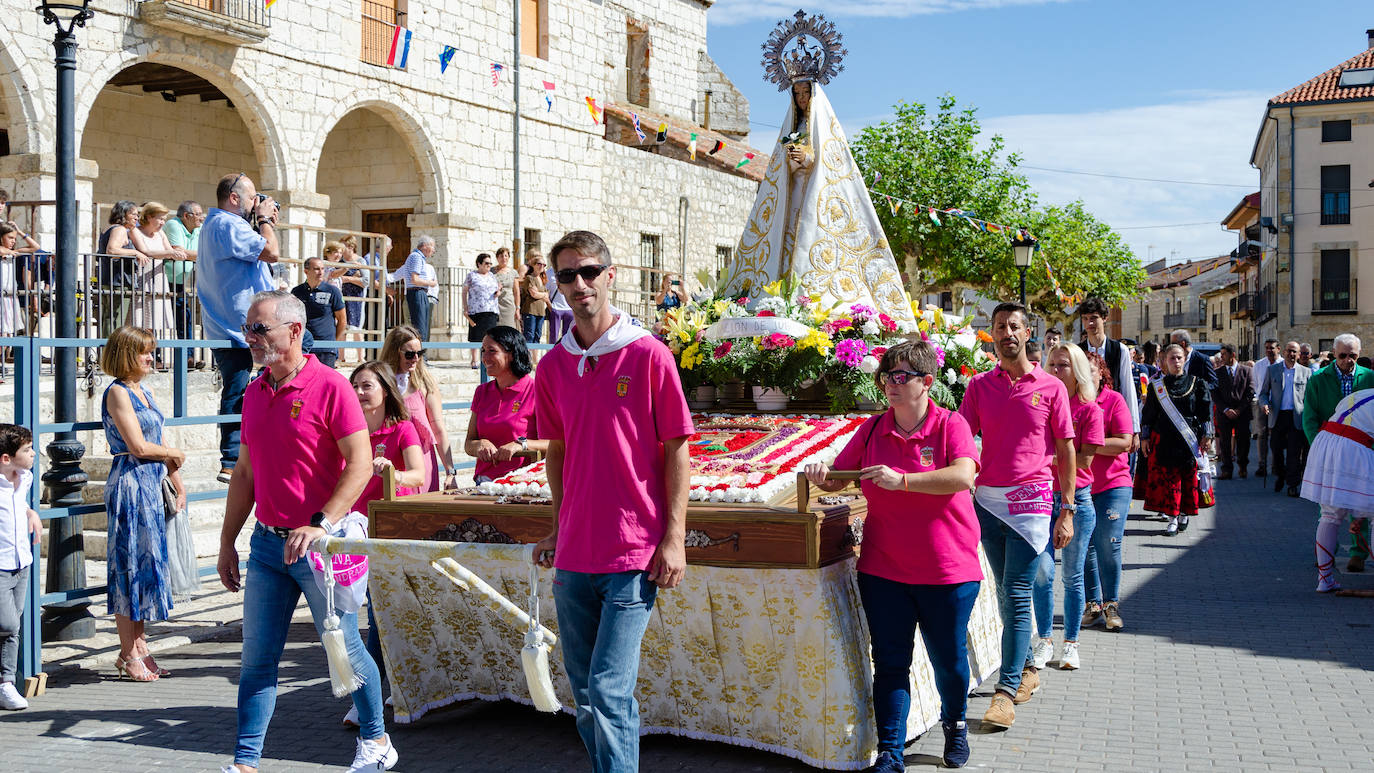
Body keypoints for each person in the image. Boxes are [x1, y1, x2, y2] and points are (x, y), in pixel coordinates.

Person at [532, 230, 692, 772]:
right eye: (567, 276)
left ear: (611, 274)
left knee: (607, 690)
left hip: (632, 553)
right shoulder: (554, 365)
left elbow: (677, 450)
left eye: (589, 272)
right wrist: (556, 526)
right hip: (575, 554)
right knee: (584, 698)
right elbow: (557, 451)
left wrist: (673, 539)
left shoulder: (649, 354)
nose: (579, 284)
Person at [216, 291, 396, 773]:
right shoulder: (254, 391)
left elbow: (360, 466)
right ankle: (245, 762)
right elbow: (245, 475)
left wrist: (321, 524)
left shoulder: (332, 387)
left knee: (344, 649)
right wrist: (227, 540)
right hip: (268, 547)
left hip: (321, 549)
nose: (249, 338)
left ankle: (376, 741)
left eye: (260, 329)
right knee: (256, 662)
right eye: (248, 328)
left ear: (294, 332)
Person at [804, 340, 980, 770]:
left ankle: (955, 724)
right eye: (887, 377)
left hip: (947, 571)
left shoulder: (949, 425)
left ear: (927, 383)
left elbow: (963, 475)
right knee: (890, 661)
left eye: (902, 377)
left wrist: (902, 481)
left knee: (949, 659)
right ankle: (890, 751)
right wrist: (822, 475)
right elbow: (840, 478)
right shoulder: (872, 429)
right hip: (884, 570)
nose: (892, 385)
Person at [957, 301, 1076, 730]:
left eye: (1014, 326)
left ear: (1028, 334)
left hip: (1033, 503)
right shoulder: (978, 387)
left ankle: (1005, 693)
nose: (1007, 332)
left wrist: (1068, 508)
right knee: (1008, 593)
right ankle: (1027, 669)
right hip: (988, 503)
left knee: (1018, 590)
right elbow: (963, 436)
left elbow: (1066, 449)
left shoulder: (1051, 387)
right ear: (993, 334)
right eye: (999, 326)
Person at [724, 59, 915, 326]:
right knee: (785, 246)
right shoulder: (790, 128)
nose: (802, 99)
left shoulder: (825, 127)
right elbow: (778, 169)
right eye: (797, 94)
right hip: (791, 199)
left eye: (805, 93)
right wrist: (790, 159)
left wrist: (809, 158)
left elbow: (830, 165)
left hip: (816, 199)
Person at [342, 360, 426, 729]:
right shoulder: (349, 432)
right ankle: (380, 689)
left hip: (389, 529)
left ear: (385, 391)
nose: (359, 393)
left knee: (378, 618)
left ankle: (367, 701)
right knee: (363, 617)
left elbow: (419, 475)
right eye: (355, 386)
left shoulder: (403, 429)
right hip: (353, 530)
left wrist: (389, 470)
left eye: (366, 386)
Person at [100, 326, 186, 683]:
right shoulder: (118, 392)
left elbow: (158, 437)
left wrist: (178, 484)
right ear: (126, 355)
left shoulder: (145, 391)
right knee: (128, 567)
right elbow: (138, 446)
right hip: (131, 482)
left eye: (151, 351)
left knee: (148, 566)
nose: (150, 357)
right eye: (144, 352)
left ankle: (141, 645)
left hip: (153, 484)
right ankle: (127, 651)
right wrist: (174, 454)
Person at [198, 173, 281, 484]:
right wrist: (263, 221)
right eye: (251, 197)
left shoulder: (219, 224)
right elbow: (271, 251)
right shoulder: (227, 224)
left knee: (246, 388)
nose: (254, 203)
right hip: (238, 327)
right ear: (234, 198)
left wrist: (260, 221)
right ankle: (231, 460)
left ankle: (240, 455)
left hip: (235, 325)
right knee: (236, 391)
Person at [1033, 344, 1101, 672]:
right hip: (1043, 497)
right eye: (1053, 365)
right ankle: (1044, 640)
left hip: (1077, 500)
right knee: (1043, 573)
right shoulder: (1041, 405)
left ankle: (1071, 643)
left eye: (1064, 365)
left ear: (1077, 371)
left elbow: (1083, 459)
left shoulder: (1089, 410)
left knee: (1073, 577)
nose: (1058, 371)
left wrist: (1054, 457)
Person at [1301, 334, 1374, 572]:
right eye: (1343, 355)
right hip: (1332, 451)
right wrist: (1318, 449)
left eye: (1353, 355)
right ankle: (1326, 555)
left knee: (1361, 503)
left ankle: (1358, 553)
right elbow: (1309, 418)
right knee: (1329, 508)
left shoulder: (1370, 377)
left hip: (1361, 450)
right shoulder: (1319, 379)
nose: (1348, 360)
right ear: (1334, 354)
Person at [1079, 353, 1134, 632]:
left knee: (1108, 544)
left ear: (1101, 373)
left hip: (1114, 484)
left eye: (1091, 371)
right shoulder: (1070, 400)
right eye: (1081, 370)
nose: (1086, 376)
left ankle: (1111, 604)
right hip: (1081, 483)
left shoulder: (1114, 400)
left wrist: (1088, 446)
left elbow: (1124, 442)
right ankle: (1093, 605)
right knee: (1086, 546)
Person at [1140, 344, 1214, 535]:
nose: (1176, 362)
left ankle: (1184, 514)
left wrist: (1208, 435)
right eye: (1172, 358)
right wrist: (1145, 438)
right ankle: (1172, 518)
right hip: (1165, 441)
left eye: (1179, 358)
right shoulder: (1156, 386)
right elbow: (1149, 415)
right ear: (1165, 361)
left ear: (1185, 359)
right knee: (1169, 481)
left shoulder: (1197, 383)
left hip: (1189, 441)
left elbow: (1205, 412)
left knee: (1188, 480)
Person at [465, 326, 548, 484]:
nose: (485, 357)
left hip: (523, 485)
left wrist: (521, 445)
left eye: (492, 351)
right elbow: (469, 443)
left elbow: (556, 443)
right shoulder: (482, 392)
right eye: (483, 350)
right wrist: (479, 445)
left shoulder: (537, 391)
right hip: (484, 483)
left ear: (511, 354)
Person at [380, 325, 457, 491]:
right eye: (409, 354)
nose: (415, 358)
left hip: (421, 464)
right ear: (394, 352)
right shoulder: (379, 384)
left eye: (419, 353)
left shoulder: (425, 384)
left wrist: (451, 472)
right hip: (389, 464)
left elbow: (438, 430)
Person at [0, 424, 42, 710]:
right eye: (26, 450)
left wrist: (31, 512)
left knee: (12, 629)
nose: (34, 454)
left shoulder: (24, 478)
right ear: (6, 458)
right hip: (0, 565)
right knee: (8, 623)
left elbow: (19, 505)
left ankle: (5, 684)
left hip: (21, 562)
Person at [1077, 296, 1140, 444]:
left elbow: (1127, 388)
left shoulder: (1120, 350)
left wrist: (1134, 428)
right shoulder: (1078, 351)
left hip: (1114, 415)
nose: (1089, 323)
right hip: (1085, 416)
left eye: (1094, 318)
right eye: (1085, 319)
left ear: (1104, 318)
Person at [128, 202, 184, 348]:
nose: (162, 222)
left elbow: (168, 252)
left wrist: (176, 253)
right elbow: (146, 251)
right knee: (139, 320)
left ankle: (150, 355)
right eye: (160, 218)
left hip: (158, 278)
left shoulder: (161, 234)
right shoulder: (136, 231)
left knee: (153, 321)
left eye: (164, 219)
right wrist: (171, 252)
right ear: (149, 217)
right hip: (142, 277)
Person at [1258, 341, 1311, 497]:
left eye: (1295, 352)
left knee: (1294, 453)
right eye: (1289, 351)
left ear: (1299, 354)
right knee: (1277, 451)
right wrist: (1265, 404)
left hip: (1296, 417)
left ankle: (1292, 484)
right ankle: (1281, 475)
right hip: (1278, 416)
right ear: (1284, 352)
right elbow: (1263, 393)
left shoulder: (1306, 372)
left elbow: (1310, 397)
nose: (1292, 354)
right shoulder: (1272, 370)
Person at [162, 201, 205, 369]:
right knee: (158, 321)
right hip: (162, 279)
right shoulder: (174, 224)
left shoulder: (198, 229)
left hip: (180, 282)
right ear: (187, 216)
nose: (202, 217)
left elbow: (192, 253)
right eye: (198, 214)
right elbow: (179, 252)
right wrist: (201, 255)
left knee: (184, 318)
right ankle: (156, 358)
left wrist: (195, 255)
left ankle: (188, 357)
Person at [96, 200, 148, 337]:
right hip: (119, 282)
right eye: (133, 214)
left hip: (111, 280)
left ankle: (106, 352)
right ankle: (111, 352)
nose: (137, 218)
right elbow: (112, 250)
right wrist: (135, 252)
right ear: (123, 214)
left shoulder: (109, 228)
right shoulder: (119, 229)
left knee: (109, 317)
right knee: (115, 320)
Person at [0, 223, 40, 381]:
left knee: (8, 333)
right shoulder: (4, 251)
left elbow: (35, 247)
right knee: (3, 333)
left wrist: (20, 231)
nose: (13, 241)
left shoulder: (12, 251)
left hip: (10, 297)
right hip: (2, 296)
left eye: (14, 239)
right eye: (9, 237)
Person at [291, 256, 346, 368]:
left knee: (324, 383)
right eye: (316, 269)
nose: (321, 272)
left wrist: (332, 342)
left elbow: (342, 320)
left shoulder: (332, 291)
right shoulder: (297, 292)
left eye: (322, 269)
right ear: (306, 271)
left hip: (326, 349)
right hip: (303, 347)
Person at [1213, 343, 1255, 480]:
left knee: (1243, 441)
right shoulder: (1218, 373)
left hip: (1242, 413)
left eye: (1224, 354)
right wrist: (1225, 409)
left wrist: (1238, 410)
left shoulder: (1246, 371)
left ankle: (1242, 466)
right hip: (1224, 413)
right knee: (1225, 442)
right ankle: (1226, 469)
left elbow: (1250, 392)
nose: (1221, 356)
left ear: (1233, 355)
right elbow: (1214, 393)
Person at [387, 236, 438, 341]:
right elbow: (414, 279)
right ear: (424, 246)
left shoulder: (419, 258)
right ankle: (419, 353)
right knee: (419, 326)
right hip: (417, 292)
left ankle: (422, 353)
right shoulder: (416, 257)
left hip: (420, 293)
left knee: (423, 326)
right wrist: (431, 283)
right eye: (432, 246)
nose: (434, 250)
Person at [462, 252, 501, 368]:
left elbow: (496, 290)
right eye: (486, 263)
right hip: (476, 310)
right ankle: (474, 360)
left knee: (490, 337)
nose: (489, 265)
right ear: (479, 264)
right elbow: (464, 291)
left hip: (491, 309)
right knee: (475, 336)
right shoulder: (472, 276)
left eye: (490, 263)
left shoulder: (492, 276)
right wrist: (465, 307)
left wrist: (498, 292)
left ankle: (489, 359)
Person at [1253, 339, 1280, 477]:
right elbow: (1257, 385)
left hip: (1278, 404)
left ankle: (1276, 464)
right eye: (1267, 348)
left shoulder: (1282, 364)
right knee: (1262, 435)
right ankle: (1262, 464)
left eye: (1272, 348)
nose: (1269, 350)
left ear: (1278, 349)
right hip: (1262, 403)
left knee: (1276, 435)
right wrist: (1263, 402)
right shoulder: (1259, 365)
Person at [519, 250, 550, 345]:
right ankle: (527, 358)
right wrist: (543, 294)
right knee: (529, 335)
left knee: (538, 336)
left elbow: (545, 295)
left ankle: (535, 358)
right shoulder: (529, 278)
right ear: (533, 265)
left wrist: (542, 294)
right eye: (539, 264)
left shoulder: (542, 279)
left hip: (540, 311)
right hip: (530, 311)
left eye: (544, 265)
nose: (542, 266)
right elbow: (534, 294)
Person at [545, 260, 574, 345]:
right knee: (553, 336)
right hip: (556, 307)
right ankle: (552, 355)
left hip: (569, 308)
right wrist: (550, 306)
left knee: (567, 336)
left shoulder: (569, 270)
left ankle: (565, 356)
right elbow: (546, 291)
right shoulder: (549, 273)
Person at [493, 246, 521, 329]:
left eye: (506, 256)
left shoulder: (513, 272)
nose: (503, 258)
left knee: (509, 328)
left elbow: (516, 292)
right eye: (501, 256)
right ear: (497, 258)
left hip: (508, 304)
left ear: (508, 257)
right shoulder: (491, 271)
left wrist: (517, 308)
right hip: (495, 304)